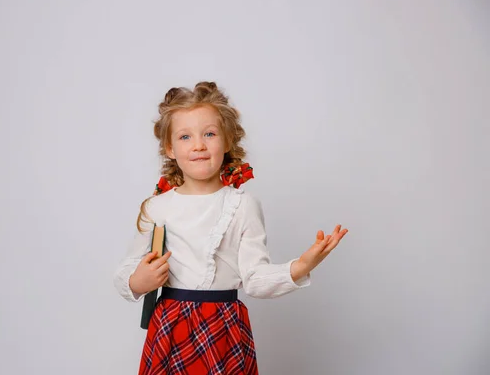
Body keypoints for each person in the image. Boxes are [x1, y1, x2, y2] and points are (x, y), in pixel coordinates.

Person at [113, 81, 348, 375]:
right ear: (170, 149)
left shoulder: (243, 205)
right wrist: (139, 279)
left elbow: (254, 278)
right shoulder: (156, 207)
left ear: (226, 141)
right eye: (185, 137)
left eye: (209, 134)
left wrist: (300, 266)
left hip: (224, 329)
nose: (198, 145)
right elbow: (126, 273)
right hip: (170, 328)